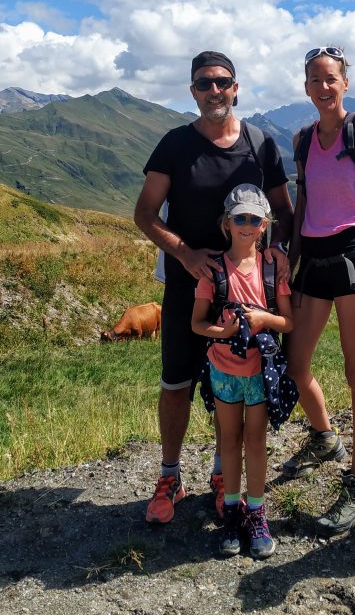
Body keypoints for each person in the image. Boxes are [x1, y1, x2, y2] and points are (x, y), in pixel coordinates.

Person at [134, 50, 292, 525]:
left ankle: (228, 478)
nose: (214, 91)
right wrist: (184, 253)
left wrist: (278, 252)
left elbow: (284, 212)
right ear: (192, 92)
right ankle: (170, 477)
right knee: (177, 383)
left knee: (241, 387)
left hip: (247, 294)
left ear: (236, 87)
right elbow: (144, 214)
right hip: (189, 286)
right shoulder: (175, 144)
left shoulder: (260, 144)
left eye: (222, 82)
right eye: (204, 84)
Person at [283, 45, 355, 536]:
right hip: (313, 256)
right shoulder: (302, 139)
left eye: (331, 78)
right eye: (315, 80)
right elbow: (304, 197)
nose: (323, 87)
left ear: (344, 83)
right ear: (306, 88)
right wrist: (289, 260)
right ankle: (325, 437)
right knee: (296, 362)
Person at [191, 183, 294, 558]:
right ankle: (232, 513)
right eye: (240, 219)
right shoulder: (213, 271)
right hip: (224, 370)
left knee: (256, 442)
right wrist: (229, 331)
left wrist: (264, 318)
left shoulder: (272, 269)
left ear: (265, 225)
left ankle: (256, 511)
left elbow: (288, 322)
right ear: (227, 224)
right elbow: (197, 324)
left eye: (254, 219)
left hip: (259, 373)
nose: (247, 225)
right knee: (229, 441)